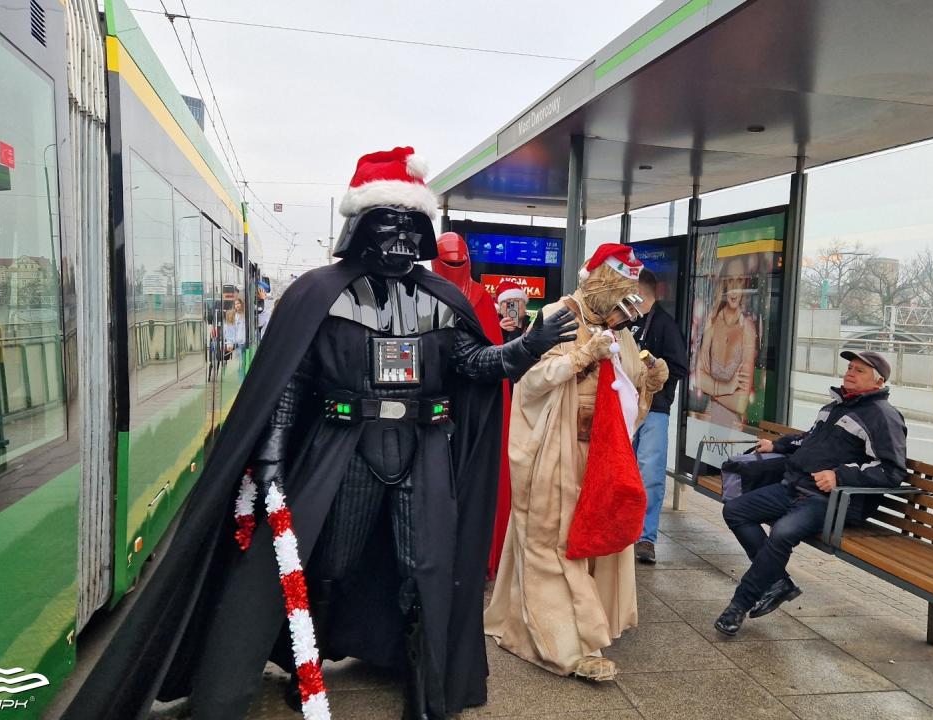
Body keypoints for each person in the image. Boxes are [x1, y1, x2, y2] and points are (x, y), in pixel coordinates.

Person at [61, 147, 578, 720]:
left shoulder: (443, 301)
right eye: (389, 221)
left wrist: (529, 344)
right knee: (330, 560)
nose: (402, 236)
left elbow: (478, 365)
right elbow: (291, 379)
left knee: (423, 566)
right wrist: (272, 452)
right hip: (345, 446)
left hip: (424, 450)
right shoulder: (319, 294)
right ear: (360, 226)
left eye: (412, 224)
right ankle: (312, 662)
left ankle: (426, 686)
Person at [485, 243, 668, 682]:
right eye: (623, 290)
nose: (629, 303)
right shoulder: (557, 316)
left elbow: (624, 390)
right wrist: (580, 358)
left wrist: (649, 383)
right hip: (556, 447)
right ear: (600, 280)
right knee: (552, 540)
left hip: (600, 451)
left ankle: (582, 623)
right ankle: (566, 646)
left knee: (593, 533)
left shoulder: (618, 326)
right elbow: (528, 381)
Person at [714, 350, 907, 636]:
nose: (850, 372)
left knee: (782, 532)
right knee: (735, 510)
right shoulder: (834, 407)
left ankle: (739, 605)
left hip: (832, 501)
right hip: (795, 487)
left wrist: (840, 476)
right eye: (850, 367)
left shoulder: (883, 416)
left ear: (878, 383)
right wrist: (777, 446)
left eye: (860, 370)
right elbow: (808, 440)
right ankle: (779, 582)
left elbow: (892, 471)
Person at [430, 232, 512, 581]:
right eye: (448, 261)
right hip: (432, 400)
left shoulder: (479, 298)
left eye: (458, 260)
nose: (454, 267)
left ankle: (471, 558)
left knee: (475, 480)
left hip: (474, 403)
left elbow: (489, 359)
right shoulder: (420, 292)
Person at [629, 268, 687, 564]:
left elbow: (678, 368)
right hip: (627, 409)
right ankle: (624, 531)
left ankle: (646, 537)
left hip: (654, 410)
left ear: (641, 291)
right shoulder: (627, 321)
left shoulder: (665, 325)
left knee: (649, 474)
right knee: (625, 472)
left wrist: (655, 380)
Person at [694, 256, 759, 428]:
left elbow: (741, 402)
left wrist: (713, 390)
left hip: (734, 422)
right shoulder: (712, 321)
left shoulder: (748, 329)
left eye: (739, 280)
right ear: (724, 284)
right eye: (730, 280)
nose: (734, 288)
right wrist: (729, 387)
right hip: (708, 415)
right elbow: (699, 380)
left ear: (744, 283)